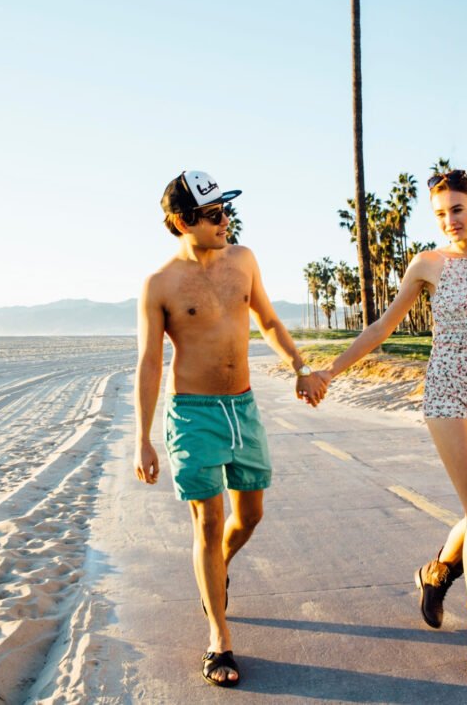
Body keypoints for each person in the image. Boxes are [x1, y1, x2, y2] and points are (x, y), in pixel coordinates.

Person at [312, 169, 467, 690]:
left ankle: (436, 572)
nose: (449, 221)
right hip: (447, 390)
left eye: (457, 209)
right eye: (439, 214)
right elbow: (382, 326)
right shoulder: (428, 264)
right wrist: (330, 370)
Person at [134, 170, 327, 688]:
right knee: (209, 522)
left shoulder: (243, 260)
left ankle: (212, 571)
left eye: (227, 211)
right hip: (192, 414)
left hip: (242, 408)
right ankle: (218, 637)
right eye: (215, 214)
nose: (226, 221)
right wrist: (144, 439)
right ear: (182, 221)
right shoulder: (159, 285)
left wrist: (299, 366)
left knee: (251, 514)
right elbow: (150, 364)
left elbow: (267, 319)